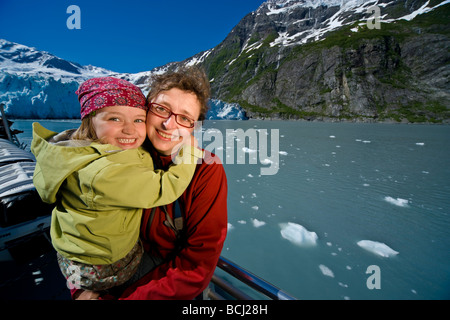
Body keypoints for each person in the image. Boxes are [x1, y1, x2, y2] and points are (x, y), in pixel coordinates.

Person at [30, 77, 202, 299]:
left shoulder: (74, 151)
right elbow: (164, 188)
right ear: (90, 121)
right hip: (106, 266)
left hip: (74, 258)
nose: (130, 130)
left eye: (139, 120)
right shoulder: (104, 173)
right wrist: (189, 153)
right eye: (114, 118)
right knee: (174, 272)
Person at [115, 67, 228, 300]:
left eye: (185, 118)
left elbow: (196, 265)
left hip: (168, 285)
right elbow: (78, 218)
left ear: (194, 128)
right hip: (118, 273)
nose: (168, 124)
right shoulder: (121, 152)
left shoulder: (205, 170)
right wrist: (81, 287)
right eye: (161, 109)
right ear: (147, 108)